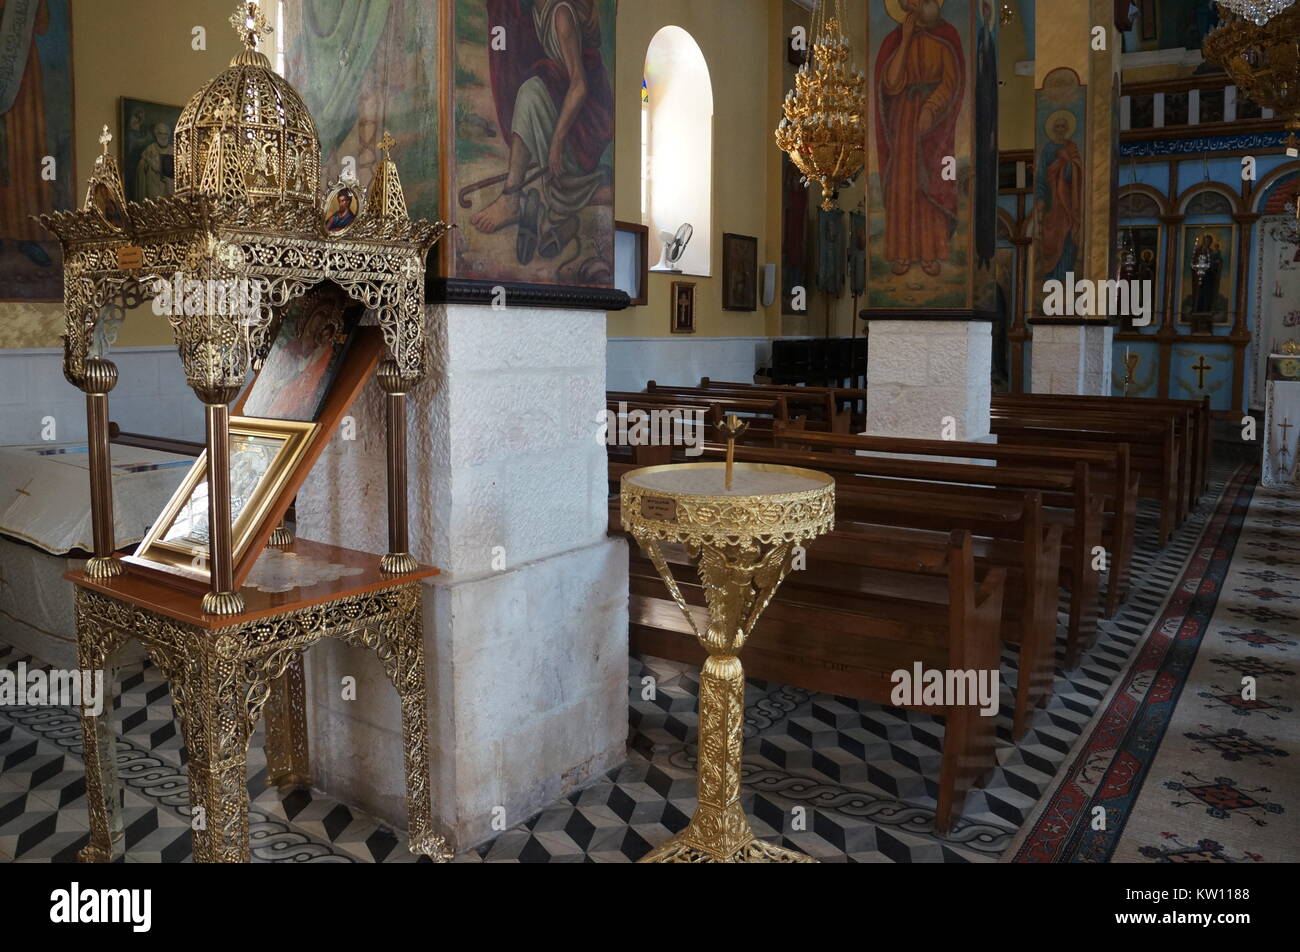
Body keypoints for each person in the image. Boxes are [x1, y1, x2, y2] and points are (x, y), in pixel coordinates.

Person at [471, 0, 613, 265]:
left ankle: (512, 198)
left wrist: (557, 142)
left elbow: (580, 85)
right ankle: (567, 200)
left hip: (586, 124)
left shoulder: (560, 14)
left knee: (531, 91)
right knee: (533, 87)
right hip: (567, 106)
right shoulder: (536, 11)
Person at [875, 0, 964, 278]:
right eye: (908, 5)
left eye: (919, 2)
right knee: (903, 186)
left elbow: (951, 83)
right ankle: (902, 253)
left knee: (931, 184)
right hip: (903, 124)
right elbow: (890, 84)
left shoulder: (945, 41)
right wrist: (904, 41)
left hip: (933, 126)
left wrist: (930, 107)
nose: (914, 9)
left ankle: (929, 252)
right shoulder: (894, 42)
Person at [1035, 110, 1084, 285]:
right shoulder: (1048, 149)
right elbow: (1041, 174)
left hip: (1069, 201)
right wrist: (1040, 197)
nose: (1060, 129)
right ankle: (1052, 276)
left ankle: (1064, 275)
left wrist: (1068, 163)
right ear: (1053, 129)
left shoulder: (1071, 148)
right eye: (1057, 126)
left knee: (1069, 234)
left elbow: (1077, 170)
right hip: (1052, 202)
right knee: (1051, 237)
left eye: (1064, 126)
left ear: (1068, 128)